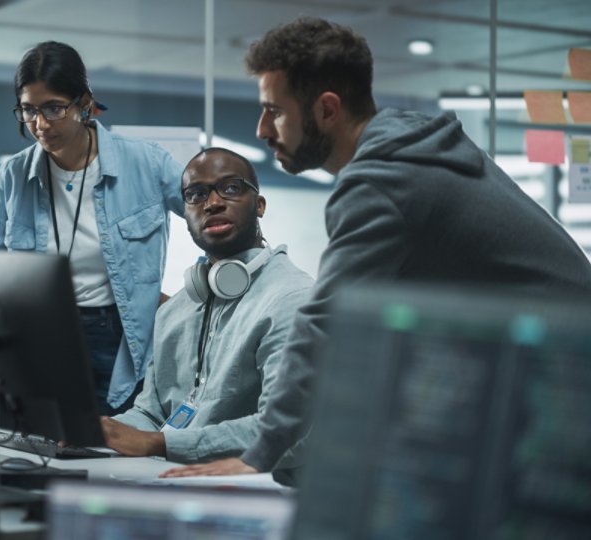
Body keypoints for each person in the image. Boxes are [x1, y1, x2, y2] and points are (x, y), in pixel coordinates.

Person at [162, 17, 591, 478]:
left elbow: (326, 329)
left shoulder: (382, 181)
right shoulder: (414, 150)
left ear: (327, 109)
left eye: (276, 111)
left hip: (561, 391)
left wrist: (260, 456)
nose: (263, 129)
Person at [0, 41, 185, 415]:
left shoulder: (147, 163)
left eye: (54, 108)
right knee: (47, 445)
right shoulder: (11, 178)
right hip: (43, 336)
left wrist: (192, 301)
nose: (41, 124)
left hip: (119, 337)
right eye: (28, 110)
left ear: (85, 103)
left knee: (116, 449)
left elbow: (215, 220)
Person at [100, 148, 313, 480]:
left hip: (253, 491)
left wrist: (159, 443)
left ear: (259, 204)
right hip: (171, 478)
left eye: (230, 188)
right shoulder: (174, 310)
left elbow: (290, 430)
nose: (212, 202)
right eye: (196, 194)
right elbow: (151, 413)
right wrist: (98, 432)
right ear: (185, 214)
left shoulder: (293, 299)